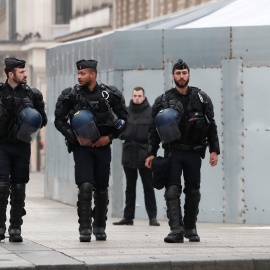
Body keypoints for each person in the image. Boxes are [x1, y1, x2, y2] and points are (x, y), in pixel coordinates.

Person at [145, 59, 220, 243]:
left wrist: (214, 150)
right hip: (173, 151)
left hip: (194, 152)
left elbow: (211, 126)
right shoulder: (163, 101)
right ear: (173, 76)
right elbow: (153, 130)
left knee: (193, 191)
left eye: (184, 73)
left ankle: (190, 228)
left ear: (189, 75)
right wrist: (151, 152)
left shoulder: (202, 98)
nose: (181, 76)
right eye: (178, 73)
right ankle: (175, 230)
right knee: (172, 190)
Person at [54, 59, 128, 242]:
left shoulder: (110, 95)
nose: (79, 77)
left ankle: (100, 226)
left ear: (93, 75)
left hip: (103, 147)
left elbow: (125, 121)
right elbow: (59, 121)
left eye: (83, 74)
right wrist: (76, 138)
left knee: (101, 188)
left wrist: (108, 138)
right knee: (85, 186)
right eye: (78, 74)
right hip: (82, 149)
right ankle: (84, 228)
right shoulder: (70, 95)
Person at [0, 57, 47, 242]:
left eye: (25, 71)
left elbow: (43, 120)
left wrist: (31, 118)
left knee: (19, 186)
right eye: (21, 72)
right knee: (2, 186)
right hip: (2, 146)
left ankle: (15, 227)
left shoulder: (33, 95)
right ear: (11, 74)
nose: (25, 74)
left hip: (22, 146)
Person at [113, 87, 160, 227]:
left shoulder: (150, 112)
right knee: (130, 188)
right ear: (132, 96)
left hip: (144, 155)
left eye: (139, 95)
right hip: (128, 154)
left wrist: (151, 153)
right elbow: (119, 130)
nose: (137, 98)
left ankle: (153, 217)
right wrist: (125, 135)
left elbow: (154, 134)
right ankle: (128, 217)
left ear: (144, 97)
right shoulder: (126, 111)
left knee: (148, 187)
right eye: (135, 95)